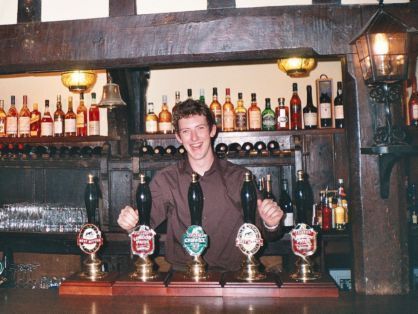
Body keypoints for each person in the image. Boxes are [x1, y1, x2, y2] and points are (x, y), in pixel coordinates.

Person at [118, 99, 284, 271]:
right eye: (186, 131)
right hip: (183, 277)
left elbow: (264, 233)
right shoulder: (167, 179)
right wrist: (130, 225)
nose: (194, 138)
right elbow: (144, 225)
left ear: (212, 130)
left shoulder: (240, 177)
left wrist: (271, 223)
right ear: (178, 137)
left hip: (233, 276)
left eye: (200, 128)